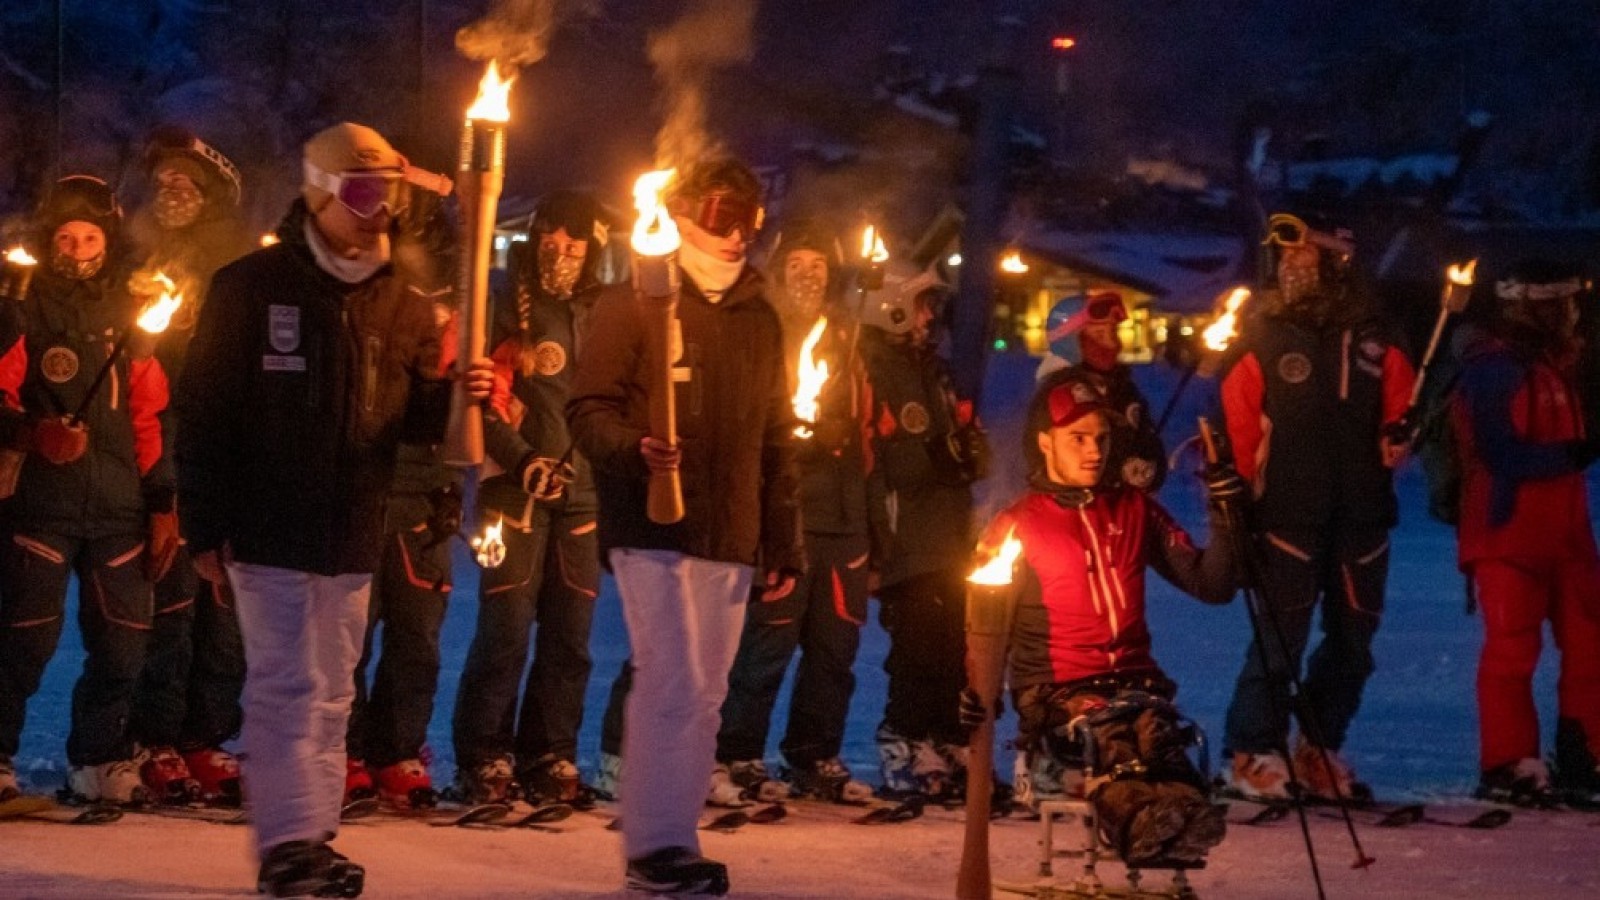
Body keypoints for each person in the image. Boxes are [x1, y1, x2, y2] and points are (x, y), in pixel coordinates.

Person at [175, 122, 493, 898]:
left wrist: (458, 398)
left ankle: (311, 834)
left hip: (354, 524)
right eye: (359, 191)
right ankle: (285, 844)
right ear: (318, 192)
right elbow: (206, 413)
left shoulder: (404, 302)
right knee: (285, 683)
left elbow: (414, 423)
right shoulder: (249, 288)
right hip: (266, 520)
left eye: (386, 192)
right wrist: (202, 527)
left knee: (333, 688)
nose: (376, 208)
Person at [568, 158, 802, 896]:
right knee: (670, 678)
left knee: (705, 690)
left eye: (750, 220)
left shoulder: (760, 314)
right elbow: (590, 409)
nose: (736, 235)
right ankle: (655, 846)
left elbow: (774, 433)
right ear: (685, 215)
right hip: (653, 522)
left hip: (729, 529)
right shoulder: (632, 302)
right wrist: (634, 449)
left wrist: (781, 537)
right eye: (722, 216)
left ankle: (676, 833)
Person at [965, 371, 1238, 865]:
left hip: (1135, 684)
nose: (1093, 450)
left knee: (1162, 741)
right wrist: (971, 691)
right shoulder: (1017, 524)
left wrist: (1225, 513)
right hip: (1056, 689)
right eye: (1077, 438)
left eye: (1101, 438)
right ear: (1045, 442)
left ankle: (1186, 822)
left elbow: (1212, 586)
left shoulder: (1134, 509)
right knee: (1113, 748)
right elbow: (983, 623)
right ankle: (1138, 824)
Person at [1217, 211, 1415, 802]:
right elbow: (1239, 433)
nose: (1295, 270)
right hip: (1287, 517)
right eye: (1288, 260)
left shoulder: (1378, 336)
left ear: (1337, 262)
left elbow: (1403, 416)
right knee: (1280, 640)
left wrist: (1402, 438)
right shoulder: (1261, 338)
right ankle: (1254, 749)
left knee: (1354, 644)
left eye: (1307, 259)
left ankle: (1318, 746)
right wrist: (1237, 507)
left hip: (1362, 516)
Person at [0, 175, 176, 806]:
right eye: (66, 239)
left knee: (124, 646)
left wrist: (162, 503)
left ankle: (97, 759)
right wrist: (32, 432)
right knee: (22, 640)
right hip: (40, 507)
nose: (77, 249)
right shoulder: (19, 308)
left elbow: (149, 415)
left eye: (90, 236)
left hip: (118, 510)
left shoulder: (131, 313)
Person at [711, 219, 875, 806]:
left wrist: (870, 525)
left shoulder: (848, 340)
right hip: (786, 511)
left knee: (835, 649)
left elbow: (867, 437)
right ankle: (737, 752)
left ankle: (814, 754)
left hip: (843, 517)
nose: (808, 277)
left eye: (819, 268)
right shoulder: (765, 331)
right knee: (768, 643)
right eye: (798, 266)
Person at [450, 190, 604, 806]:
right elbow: (486, 397)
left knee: (570, 637)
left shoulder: (603, 312)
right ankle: (484, 755)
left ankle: (551, 753)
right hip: (514, 496)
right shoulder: (506, 305)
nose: (562, 250)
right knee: (507, 630)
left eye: (575, 240)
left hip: (582, 500)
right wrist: (521, 459)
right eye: (552, 237)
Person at [126, 124, 255, 806]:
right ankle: (156, 738)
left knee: (223, 606)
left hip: (225, 447)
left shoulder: (233, 273)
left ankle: (206, 737)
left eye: (188, 183)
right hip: (161, 445)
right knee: (170, 601)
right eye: (164, 181)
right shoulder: (137, 259)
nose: (173, 193)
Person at [1451, 259, 1600, 806]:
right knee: (1513, 650)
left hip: (1564, 535)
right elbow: (1499, 451)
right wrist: (1573, 454)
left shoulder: (1552, 366)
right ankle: (1509, 763)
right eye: (1565, 304)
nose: (1574, 315)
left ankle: (1585, 755)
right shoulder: (1496, 367)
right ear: (1540, 306)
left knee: (1590, 646)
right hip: (1508, 534)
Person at [344, 173, 464, 810]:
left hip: (421, 492)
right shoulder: (354, 287)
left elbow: (447, 402)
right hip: (362, 487)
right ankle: (347, 752)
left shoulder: (447, 290)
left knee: (418, 636)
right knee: (351, 636)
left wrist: (448, 478)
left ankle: (398, 751)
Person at [859, 258, 989, 799]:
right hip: (904, 539)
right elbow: (878, 460)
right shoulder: (870, 368)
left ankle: (947, 736)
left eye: (932, 306)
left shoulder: (934, 370)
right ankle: (905, 737)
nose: (929, 316)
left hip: (948, 535)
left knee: (953, 641)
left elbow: (964, 432)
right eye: (920, 304)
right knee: (915, 647)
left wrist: (969, 449)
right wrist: (872, 546)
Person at [1035, 291, 1166, 492]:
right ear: (1071, 342)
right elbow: (1046, 466)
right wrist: (1119, 472)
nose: (1112, 343)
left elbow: (1149, 444)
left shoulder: (1124, 390)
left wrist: (1149, 471)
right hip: (1079, 515)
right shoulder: (1057, 396)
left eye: (1113, 332)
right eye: (1098, 335)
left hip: (1126, 515)